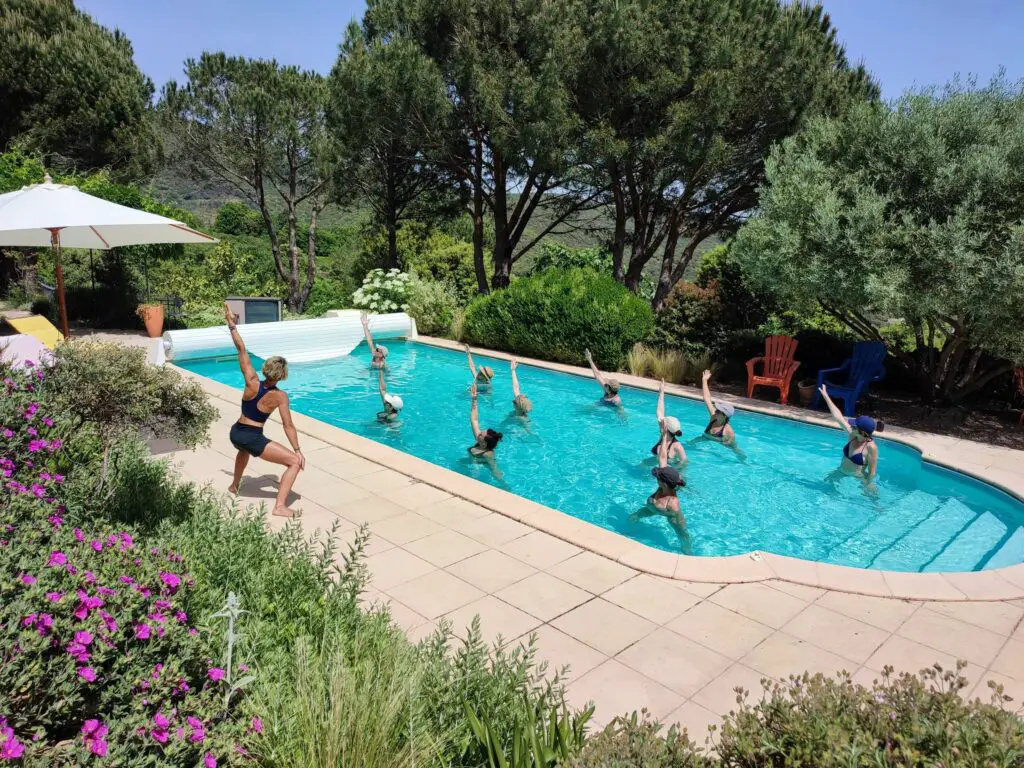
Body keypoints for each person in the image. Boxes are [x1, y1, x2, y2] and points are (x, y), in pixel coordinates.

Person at [223, 302, 305, 518]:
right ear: (282, 375)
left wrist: (231, 324)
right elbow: (288, 425)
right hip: (252, 437)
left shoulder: (251, 381)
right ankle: (279, 506)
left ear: (266, 368)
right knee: (294, 463)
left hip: (236, 432)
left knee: (243, 449)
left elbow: (241, 349)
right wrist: (297, 450)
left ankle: (234, 486)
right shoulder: (280, 397)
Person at [632, 427, 689, 548]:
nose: (656, 478)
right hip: (652, 509)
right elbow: (662, 457)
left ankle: (688, 552)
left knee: (683, 535)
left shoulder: (673, 504)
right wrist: (664, 437)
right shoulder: (666, 485)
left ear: (663, 483)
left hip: (671, 517)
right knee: (632, 518)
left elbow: (673, 513)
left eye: (658, 477)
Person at [819, 384, 883, 480]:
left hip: (855, 479)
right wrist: (826, 396)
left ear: (863, 432)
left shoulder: (871, 448)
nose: (851, 426)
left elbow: (871, 473)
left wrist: (868, 486)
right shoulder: (853, 435)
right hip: (840, 471)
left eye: (854, 426)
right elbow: (838, 417)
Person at [468, 382, 503, 478]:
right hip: (470, 465)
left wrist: (503, 484)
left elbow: (494, 469)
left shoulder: (488, 454)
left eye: (480, 435)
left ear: (484, 443)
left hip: (476, 473)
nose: (478, 433)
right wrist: (474, 400)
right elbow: (474, 420)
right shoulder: (479, 441)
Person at [700, 369, 737, 445]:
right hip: (705, 439)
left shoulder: (728, 431)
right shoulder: (713, 417)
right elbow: (707, 398)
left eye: (718, 411)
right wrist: (704, 380)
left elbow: (733, 447)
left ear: (725, 417)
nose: (715, 411)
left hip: (719, 445)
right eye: (717, 410)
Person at [653, 379, 686, 463]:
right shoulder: (663, 434)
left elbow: (684, 464)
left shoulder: (677, 447)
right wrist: (661, 392)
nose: (660, 423)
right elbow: (659, 411)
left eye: (662, 422)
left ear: (665, 427)